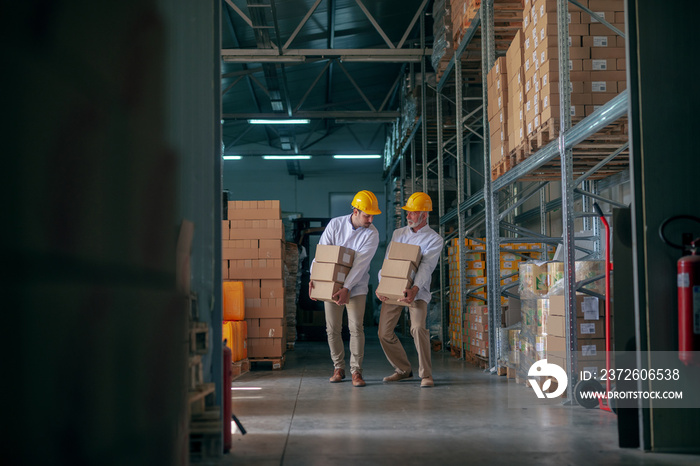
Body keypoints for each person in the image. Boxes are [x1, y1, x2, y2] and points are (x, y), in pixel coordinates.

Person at [309, 190, 381, 387]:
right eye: (367, 215)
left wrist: (347, 287)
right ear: (356, 211)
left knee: (356, 327)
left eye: (373, 215)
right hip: (331, 285)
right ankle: (338, 368)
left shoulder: (372, 234)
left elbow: (360, 265)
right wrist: (314, 278)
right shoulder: (336, 224)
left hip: (356, 286)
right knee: (332, 328)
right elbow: (322, 253)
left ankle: (356, 371)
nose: (371, 219)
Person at [376, 192, 443, 388]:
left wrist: (414, 289)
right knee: (384, 333)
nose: (408, 216)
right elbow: (388, 262)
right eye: (408, 213)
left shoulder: (434, 239)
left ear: (424, 214)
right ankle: (403, 370)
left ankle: (426, 375)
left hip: (418, 292)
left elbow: (426, 267)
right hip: (393, 289)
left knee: (418, 328)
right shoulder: (399, 234)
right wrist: (382, 284)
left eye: (412, 213)